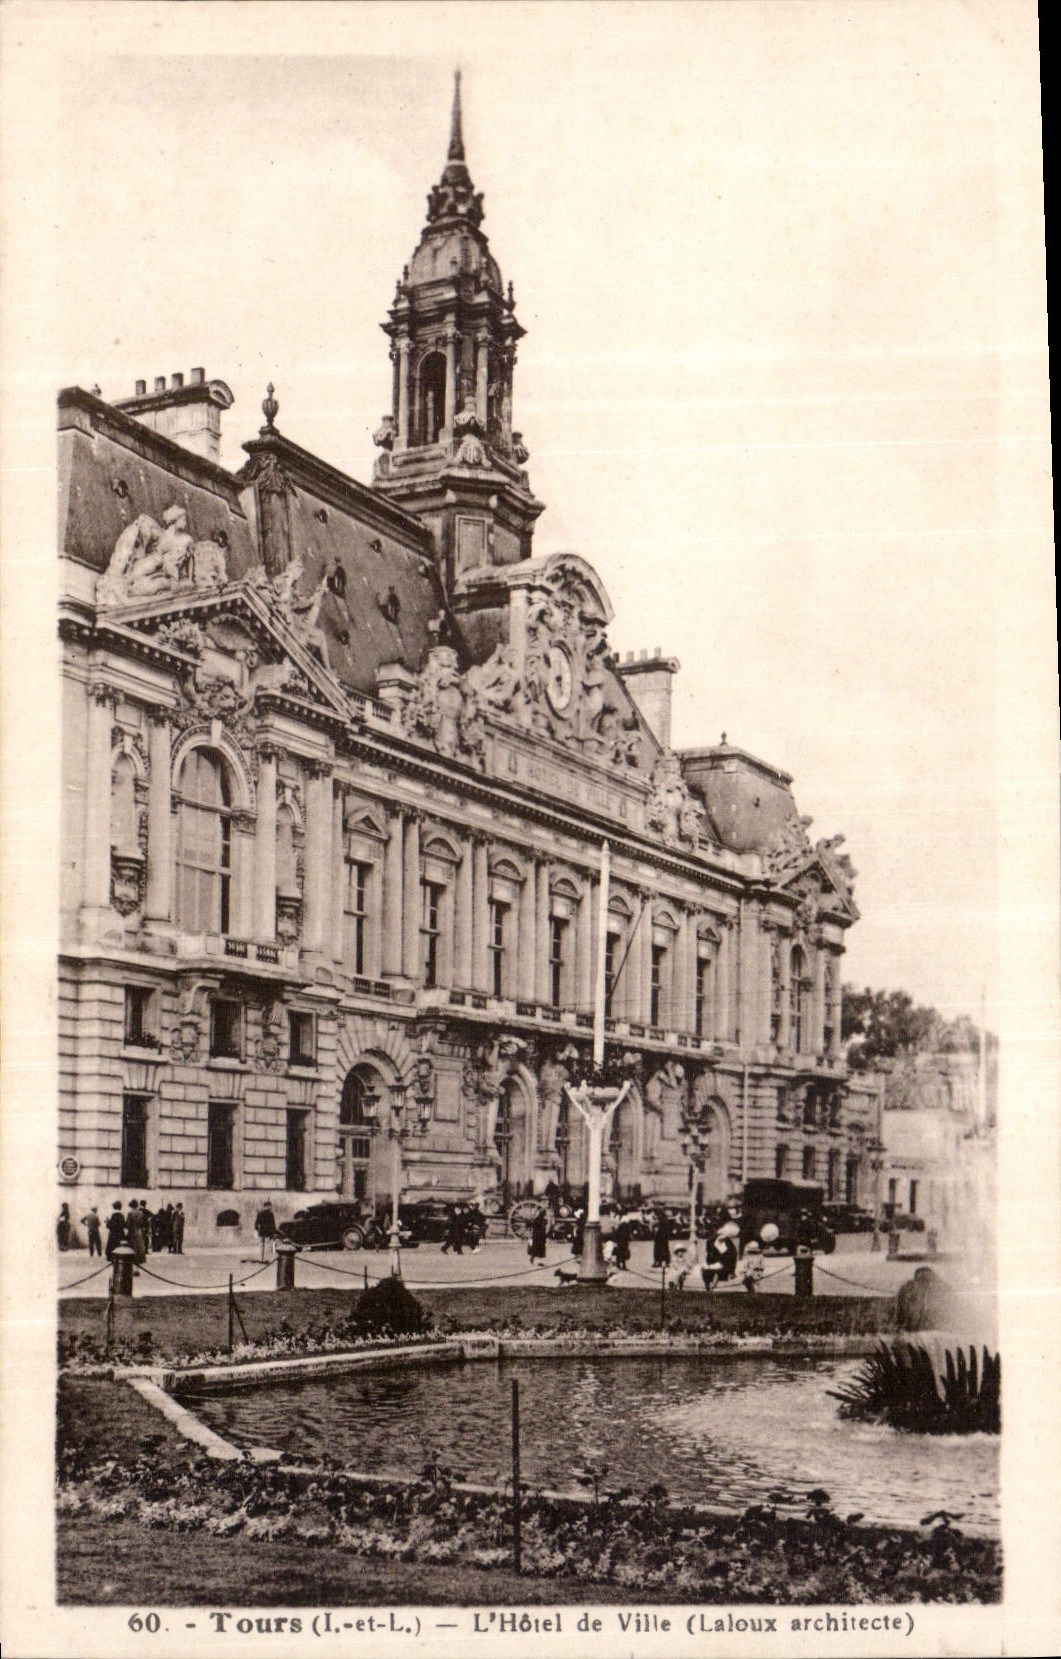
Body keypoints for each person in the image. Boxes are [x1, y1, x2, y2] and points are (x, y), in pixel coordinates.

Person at [126, 1200, 146, 1264]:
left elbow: (128, 1224)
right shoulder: (141, 1213)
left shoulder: (130, 1213)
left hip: (132, 1231)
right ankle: (140, 1258)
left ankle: (132, 1258)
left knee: (132, 1245)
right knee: (139, 1245)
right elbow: (142, 1222)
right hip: (139, 1230)